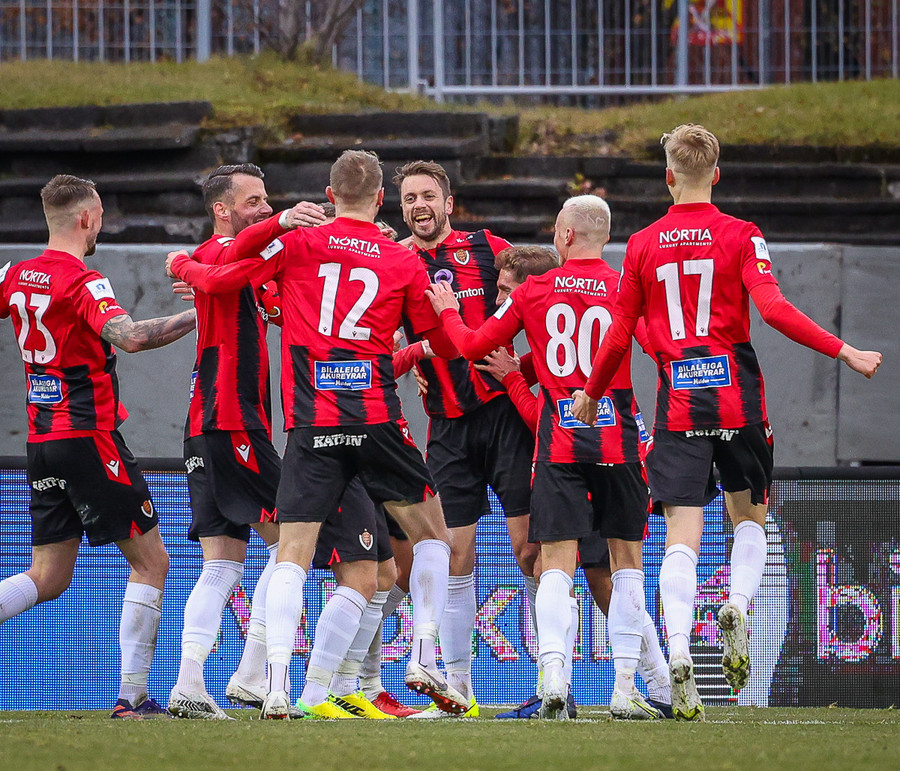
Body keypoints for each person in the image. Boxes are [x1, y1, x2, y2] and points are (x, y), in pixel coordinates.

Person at [571, 124, 883, 721]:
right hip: (737, 398)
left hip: (679, 402)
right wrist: (844, 351)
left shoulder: (641, 245)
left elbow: (619, 332)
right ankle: (737, 602)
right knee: (749, 521)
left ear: (668, 176)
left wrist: (590, 393)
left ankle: (680, 649)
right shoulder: (742, 234)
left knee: (680, 536)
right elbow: (774, 309)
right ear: (716, 174)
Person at [166, 149, 467, 720]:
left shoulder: (296, 245)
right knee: (433, 536)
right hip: (376, 420)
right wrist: (445, 317)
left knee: (292, 556)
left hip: (311, 426)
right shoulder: (402, 260)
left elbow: (224, 272)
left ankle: (276, 685)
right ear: (382, 199)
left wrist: (185, 263)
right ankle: (424, 654)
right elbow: (449, 345)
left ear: (329, 196)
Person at [427, 196, 663, 721]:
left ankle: (556, 675)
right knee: (625, 568)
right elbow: (652, 348)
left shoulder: (536, 290)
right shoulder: (627, 287)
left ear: (565, 235)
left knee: (559, 563)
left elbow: (472, 346)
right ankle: (637, 686)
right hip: (619, 445)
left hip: (561, 448)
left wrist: (448, 313)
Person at [0, 175, 196, 719]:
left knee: (48, 577)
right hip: (89, 437)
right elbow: (131, 336)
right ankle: (132, 698)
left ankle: (133, 698)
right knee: (152, 562)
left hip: (42, 441)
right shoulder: (85, 282)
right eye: (101, 217)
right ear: (86, 218)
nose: (100, 227)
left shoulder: (16, 275)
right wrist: (203, 311)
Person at [480, 245, 673, 720]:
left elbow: (550, 418)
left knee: (590, 576)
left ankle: (647, 683)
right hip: (608, 454)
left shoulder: (549, 318)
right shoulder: (583, 317)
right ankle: (588, 687)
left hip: (586, 458)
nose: (501, 300)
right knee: (564, 567)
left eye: (507, 291)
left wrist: (512, 380)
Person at [165, 164, 326, 719]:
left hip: (206, 426)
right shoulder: (217, 255)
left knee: (222, 564)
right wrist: (281, 223)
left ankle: (190, 684)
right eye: (252, 200)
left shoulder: (237, 264)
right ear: (222, 210)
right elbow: (227, 265)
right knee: (294, 543)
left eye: (267, 200)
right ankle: (253, 673)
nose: (264, 208)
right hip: (231, 421)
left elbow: (273, 292)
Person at [391, 160, 538, 716]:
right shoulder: (395, 260)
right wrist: (416, 355)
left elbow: (539, 302)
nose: (420, 206)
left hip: (504, 417)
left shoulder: (489, 249)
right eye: (410, 198)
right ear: (400, 207)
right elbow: (385, 343)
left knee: (530, 549)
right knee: (454, 553)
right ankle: (458, 689)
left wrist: (525, 367)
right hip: (447, 427)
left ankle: (554, 682)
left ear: (449, 203)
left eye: (428, 195)